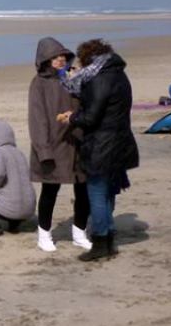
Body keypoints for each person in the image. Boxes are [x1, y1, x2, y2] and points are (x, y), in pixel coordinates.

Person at [58, 39, 139, 262]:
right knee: (108, 191)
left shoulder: (101, 79)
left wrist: (72, 117)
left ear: (89, 59)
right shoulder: (118, 75)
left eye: (81, 61)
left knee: (97, 192)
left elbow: (92, 116)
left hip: (103, 143)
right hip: (119, 140)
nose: (81, 66)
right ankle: (108, 237)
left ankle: (101, 239)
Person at [28, 37, 91, 252]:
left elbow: (87, 106)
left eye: (62, 55)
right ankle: (44, 234)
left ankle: (79, 232)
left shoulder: (73, 78)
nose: (60, 59)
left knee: (83, 188)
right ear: (45, 60)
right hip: (53, 145)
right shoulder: (39, 84)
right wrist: (43, 150)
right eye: (55, 56)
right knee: (50, 189)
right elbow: (37, 119)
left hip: (77, 142)